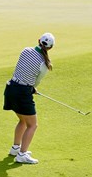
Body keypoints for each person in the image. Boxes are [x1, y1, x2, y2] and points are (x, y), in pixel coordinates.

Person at [3, 32, 55, 164]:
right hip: (22, 92)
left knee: (23, 121)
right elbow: (35, 82)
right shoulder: (44, 64)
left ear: (39, 40)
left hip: (11, 88)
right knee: (32, 125)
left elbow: (22, 69)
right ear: (50, 48)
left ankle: (15, 148)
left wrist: (30, 87)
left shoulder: (25, 50)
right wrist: (32, 89)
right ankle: (22, 154)